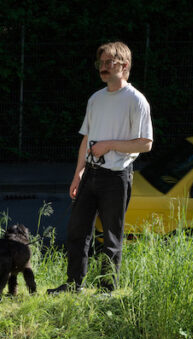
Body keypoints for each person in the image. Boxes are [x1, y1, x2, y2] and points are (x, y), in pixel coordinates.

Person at [49, 42, 153, 294]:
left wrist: (109, 145)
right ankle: (74, 285)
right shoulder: (96, 98)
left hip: (116, 177)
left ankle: (108, 290)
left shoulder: (136, 100)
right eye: (101, 64)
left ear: (124, 66)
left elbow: (145, 144)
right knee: (77, 231)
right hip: (90, 175)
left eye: (109, 63)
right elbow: (86, 138)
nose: (103, 68)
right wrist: (78, 173)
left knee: (111, 237)